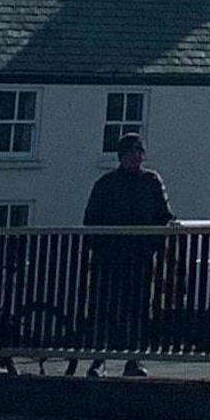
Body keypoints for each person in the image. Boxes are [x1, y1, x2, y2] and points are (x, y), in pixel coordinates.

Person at [80, 142, 175, 376]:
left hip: (139, 258)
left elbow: (164, 216)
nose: (135, 157)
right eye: (131, 152)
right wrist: (102, 249)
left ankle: (133, 360)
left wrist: (151, 247)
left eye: (138, 152)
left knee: (138, 310)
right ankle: (99, 360)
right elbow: (91, 220)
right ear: (121, 156)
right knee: (105, 310)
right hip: (109, 259)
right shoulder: (106, 183)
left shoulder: (151, 181)